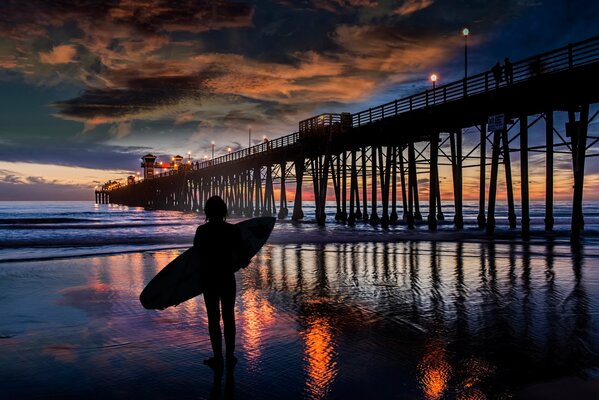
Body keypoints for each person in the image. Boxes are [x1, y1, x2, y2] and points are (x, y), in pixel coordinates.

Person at [194, 195, 244, 369]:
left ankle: (217, 357)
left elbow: (196, 259)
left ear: (207, 212)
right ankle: (230, 356)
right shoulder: (232, 231)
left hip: (209, 279)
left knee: (213, 319)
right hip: (227, 278)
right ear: (224, 211)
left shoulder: (202, 231)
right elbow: (242, 258)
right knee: (229, 317)